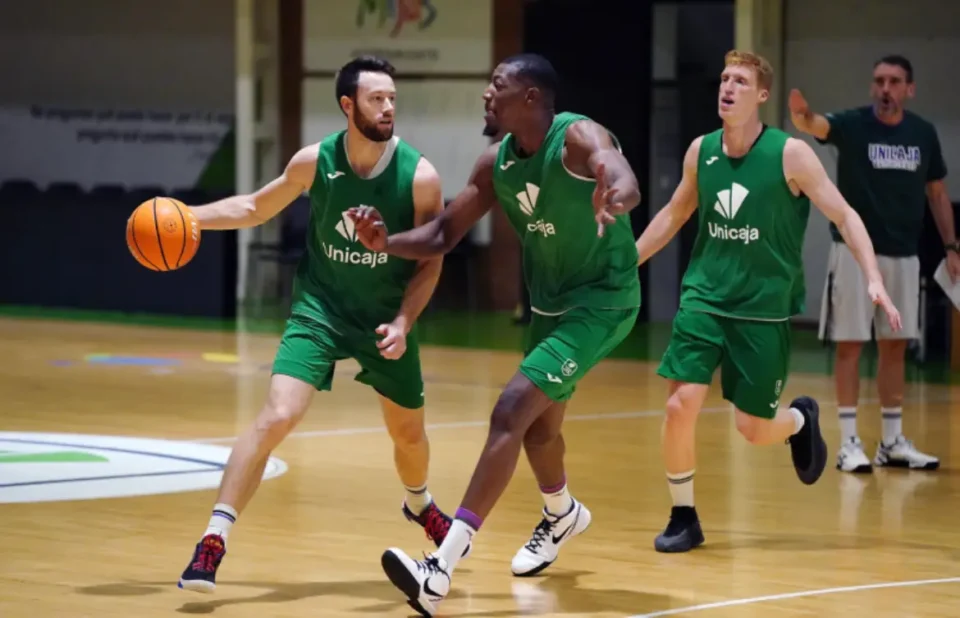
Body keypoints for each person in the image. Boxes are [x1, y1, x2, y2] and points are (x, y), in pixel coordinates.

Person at [348, 53, 642, 616]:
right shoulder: (496, 164)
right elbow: (440, 235)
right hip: (552, 309)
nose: (487, 93)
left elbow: (617, 170)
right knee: (536, 434)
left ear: (530, 97)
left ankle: (439, 569)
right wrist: (385, 242)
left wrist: (616, 194)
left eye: (498, 86)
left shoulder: (577, 137)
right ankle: (562, 515)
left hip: (602, 304)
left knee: (509, 411)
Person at [176, 56, 461, 593]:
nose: (389, 107)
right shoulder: (315, 162)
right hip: (321, 309)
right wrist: (189, 216)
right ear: (348, 106)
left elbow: (432, 259)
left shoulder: (420, 177)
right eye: (378, 99)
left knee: (409, 436)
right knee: (278, 414)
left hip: (384, 319)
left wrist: (403, 321)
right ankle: (214, 538)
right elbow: (256, 207)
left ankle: (418, 503)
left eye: (393, 99)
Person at [634, 50, 902, 553]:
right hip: (704, 299)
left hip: (761, 308)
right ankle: (683, 515)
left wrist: (874, 278)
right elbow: (673, 215)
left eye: (740, 80)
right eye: (723, 78)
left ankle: (800, 421)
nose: (727, 87)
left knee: (754, 430)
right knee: (679, 405)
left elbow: (844, 216)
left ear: (761, 95)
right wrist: (627, 262)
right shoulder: (700, 152)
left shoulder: (790, 154)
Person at [789, 54, 959, 474]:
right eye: (880, 81)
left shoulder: (922, 133)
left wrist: (951, 246)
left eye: (895, 81)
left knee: (894, 346)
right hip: (853, 253)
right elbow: (817, 126)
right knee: (849, 345)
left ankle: (891, 441)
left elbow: (937, 193)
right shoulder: (851, 125)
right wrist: (802, 115)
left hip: (905, 254)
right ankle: (849, 441)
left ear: (909, 89)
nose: (886, 88)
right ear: (872, 87)